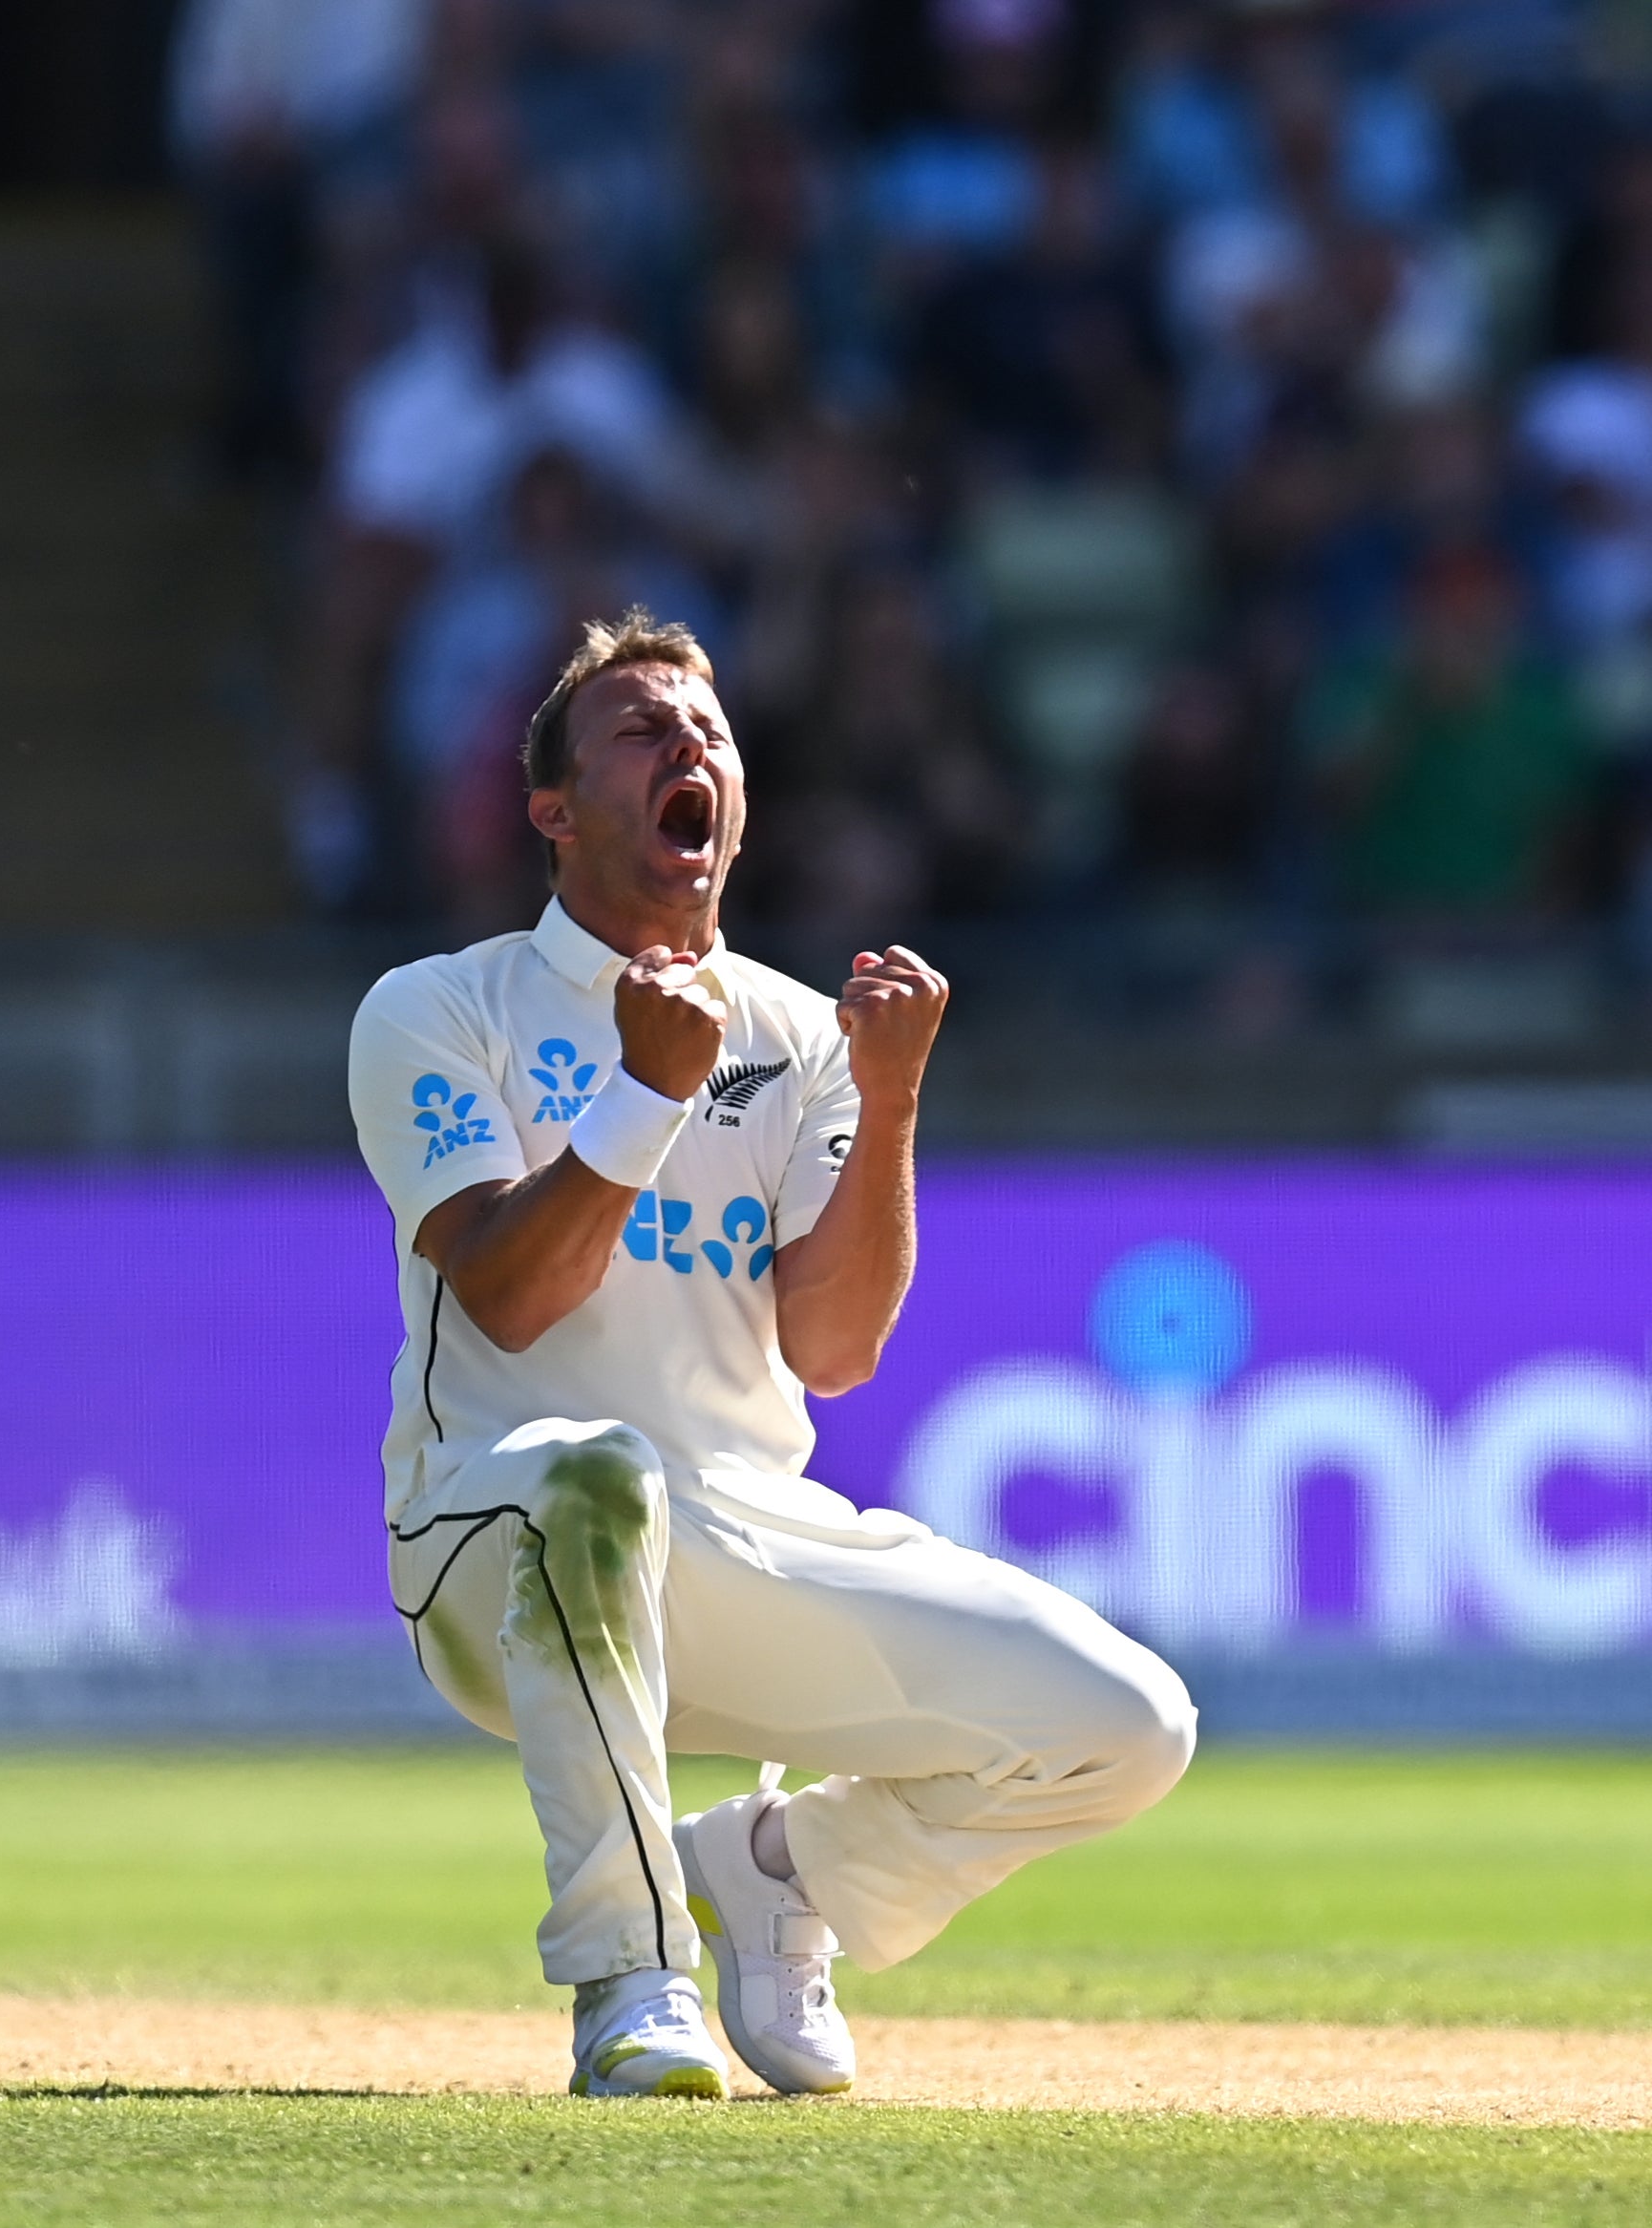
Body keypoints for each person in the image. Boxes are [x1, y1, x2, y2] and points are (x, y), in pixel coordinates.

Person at [346, 609, 1194, 2099]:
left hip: (747, 1530)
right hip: (496, 1533)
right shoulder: (438, 1008)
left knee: (1129, 1727)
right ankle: (630, 1977)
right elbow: (507, 1299)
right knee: (592, 1477)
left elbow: (837, 1343)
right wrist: (642, 1094)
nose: (689, 746)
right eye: (640, 729)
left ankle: (776, 1867)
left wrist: (892, 1091)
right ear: (552, 809)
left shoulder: (804, 1039)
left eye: (710, 733)